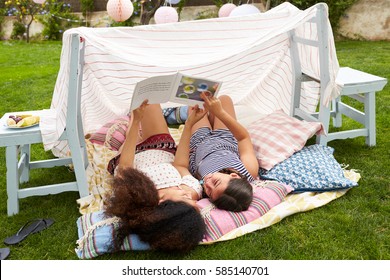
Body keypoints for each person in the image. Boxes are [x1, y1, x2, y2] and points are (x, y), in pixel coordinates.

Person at [105, 100, 207, 252]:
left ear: (162, 203)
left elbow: (125, 166)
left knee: (125, 129)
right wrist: (189, 124)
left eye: (185, 199)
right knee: (149, 100)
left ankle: (130, 123)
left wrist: (136, 122)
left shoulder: (132, 197)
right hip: (160, 146)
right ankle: (132, 122)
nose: (188, 194)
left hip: (130, 152)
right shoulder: (191, 190)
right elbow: (180, 165)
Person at [187, 93, 259, 212]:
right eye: (216, 182)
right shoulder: (248, 170)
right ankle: (213, 115)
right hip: (224, 137)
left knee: (194, 102)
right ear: (234, 176)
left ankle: (185, 114)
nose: (207, 184)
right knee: (224, 99)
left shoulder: (200, 186)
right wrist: (220, 112)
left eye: (209, 192)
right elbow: (243, 138)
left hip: (199, 142)